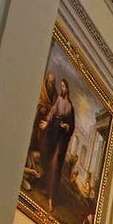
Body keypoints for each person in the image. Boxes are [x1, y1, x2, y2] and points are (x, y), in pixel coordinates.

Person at [39, 77, 76, 210]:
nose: (62, 89)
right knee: (49, 160)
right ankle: (47, 189)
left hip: (62, 138)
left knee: (55, 163)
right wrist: (47, 122)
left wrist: (67, 126)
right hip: (54, 132)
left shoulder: (70, 107)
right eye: (60, 86)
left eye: (64, 86)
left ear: (67, 88)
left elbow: (72, 126)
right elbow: (52, 112)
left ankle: (51, 198)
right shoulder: (59, 100)